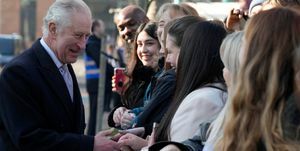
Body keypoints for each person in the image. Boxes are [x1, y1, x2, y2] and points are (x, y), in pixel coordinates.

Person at [0, 0, 120, 150]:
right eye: (78, 35)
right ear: (53, 29)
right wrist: (90, 144)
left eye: (87, 36)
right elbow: (29, 140)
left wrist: (92, 141)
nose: (83, 45)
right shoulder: (18, 73)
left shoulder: (63, 63)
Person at [216, 8, 300, 150]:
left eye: (244, 40)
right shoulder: (252, 104)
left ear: (257, 51)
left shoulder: (289, 118)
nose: (240, 48)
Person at [108, 22, 160, 131]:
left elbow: (158, 118)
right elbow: (129, 107)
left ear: (162, 45)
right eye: (140, 44)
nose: (143, 50)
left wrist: (133, 118)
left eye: (149, 43)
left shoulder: (166, 77)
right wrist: (118, 113)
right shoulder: (137, 75)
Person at [84, 19, 104, 136]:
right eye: (102, 26)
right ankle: (91, 138)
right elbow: (101, 62)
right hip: (94, 83)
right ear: (96, 28)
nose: (103, 28)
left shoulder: (97, 42)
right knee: (94, 114)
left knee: (96, 114)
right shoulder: (92, 44)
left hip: (97, 83)